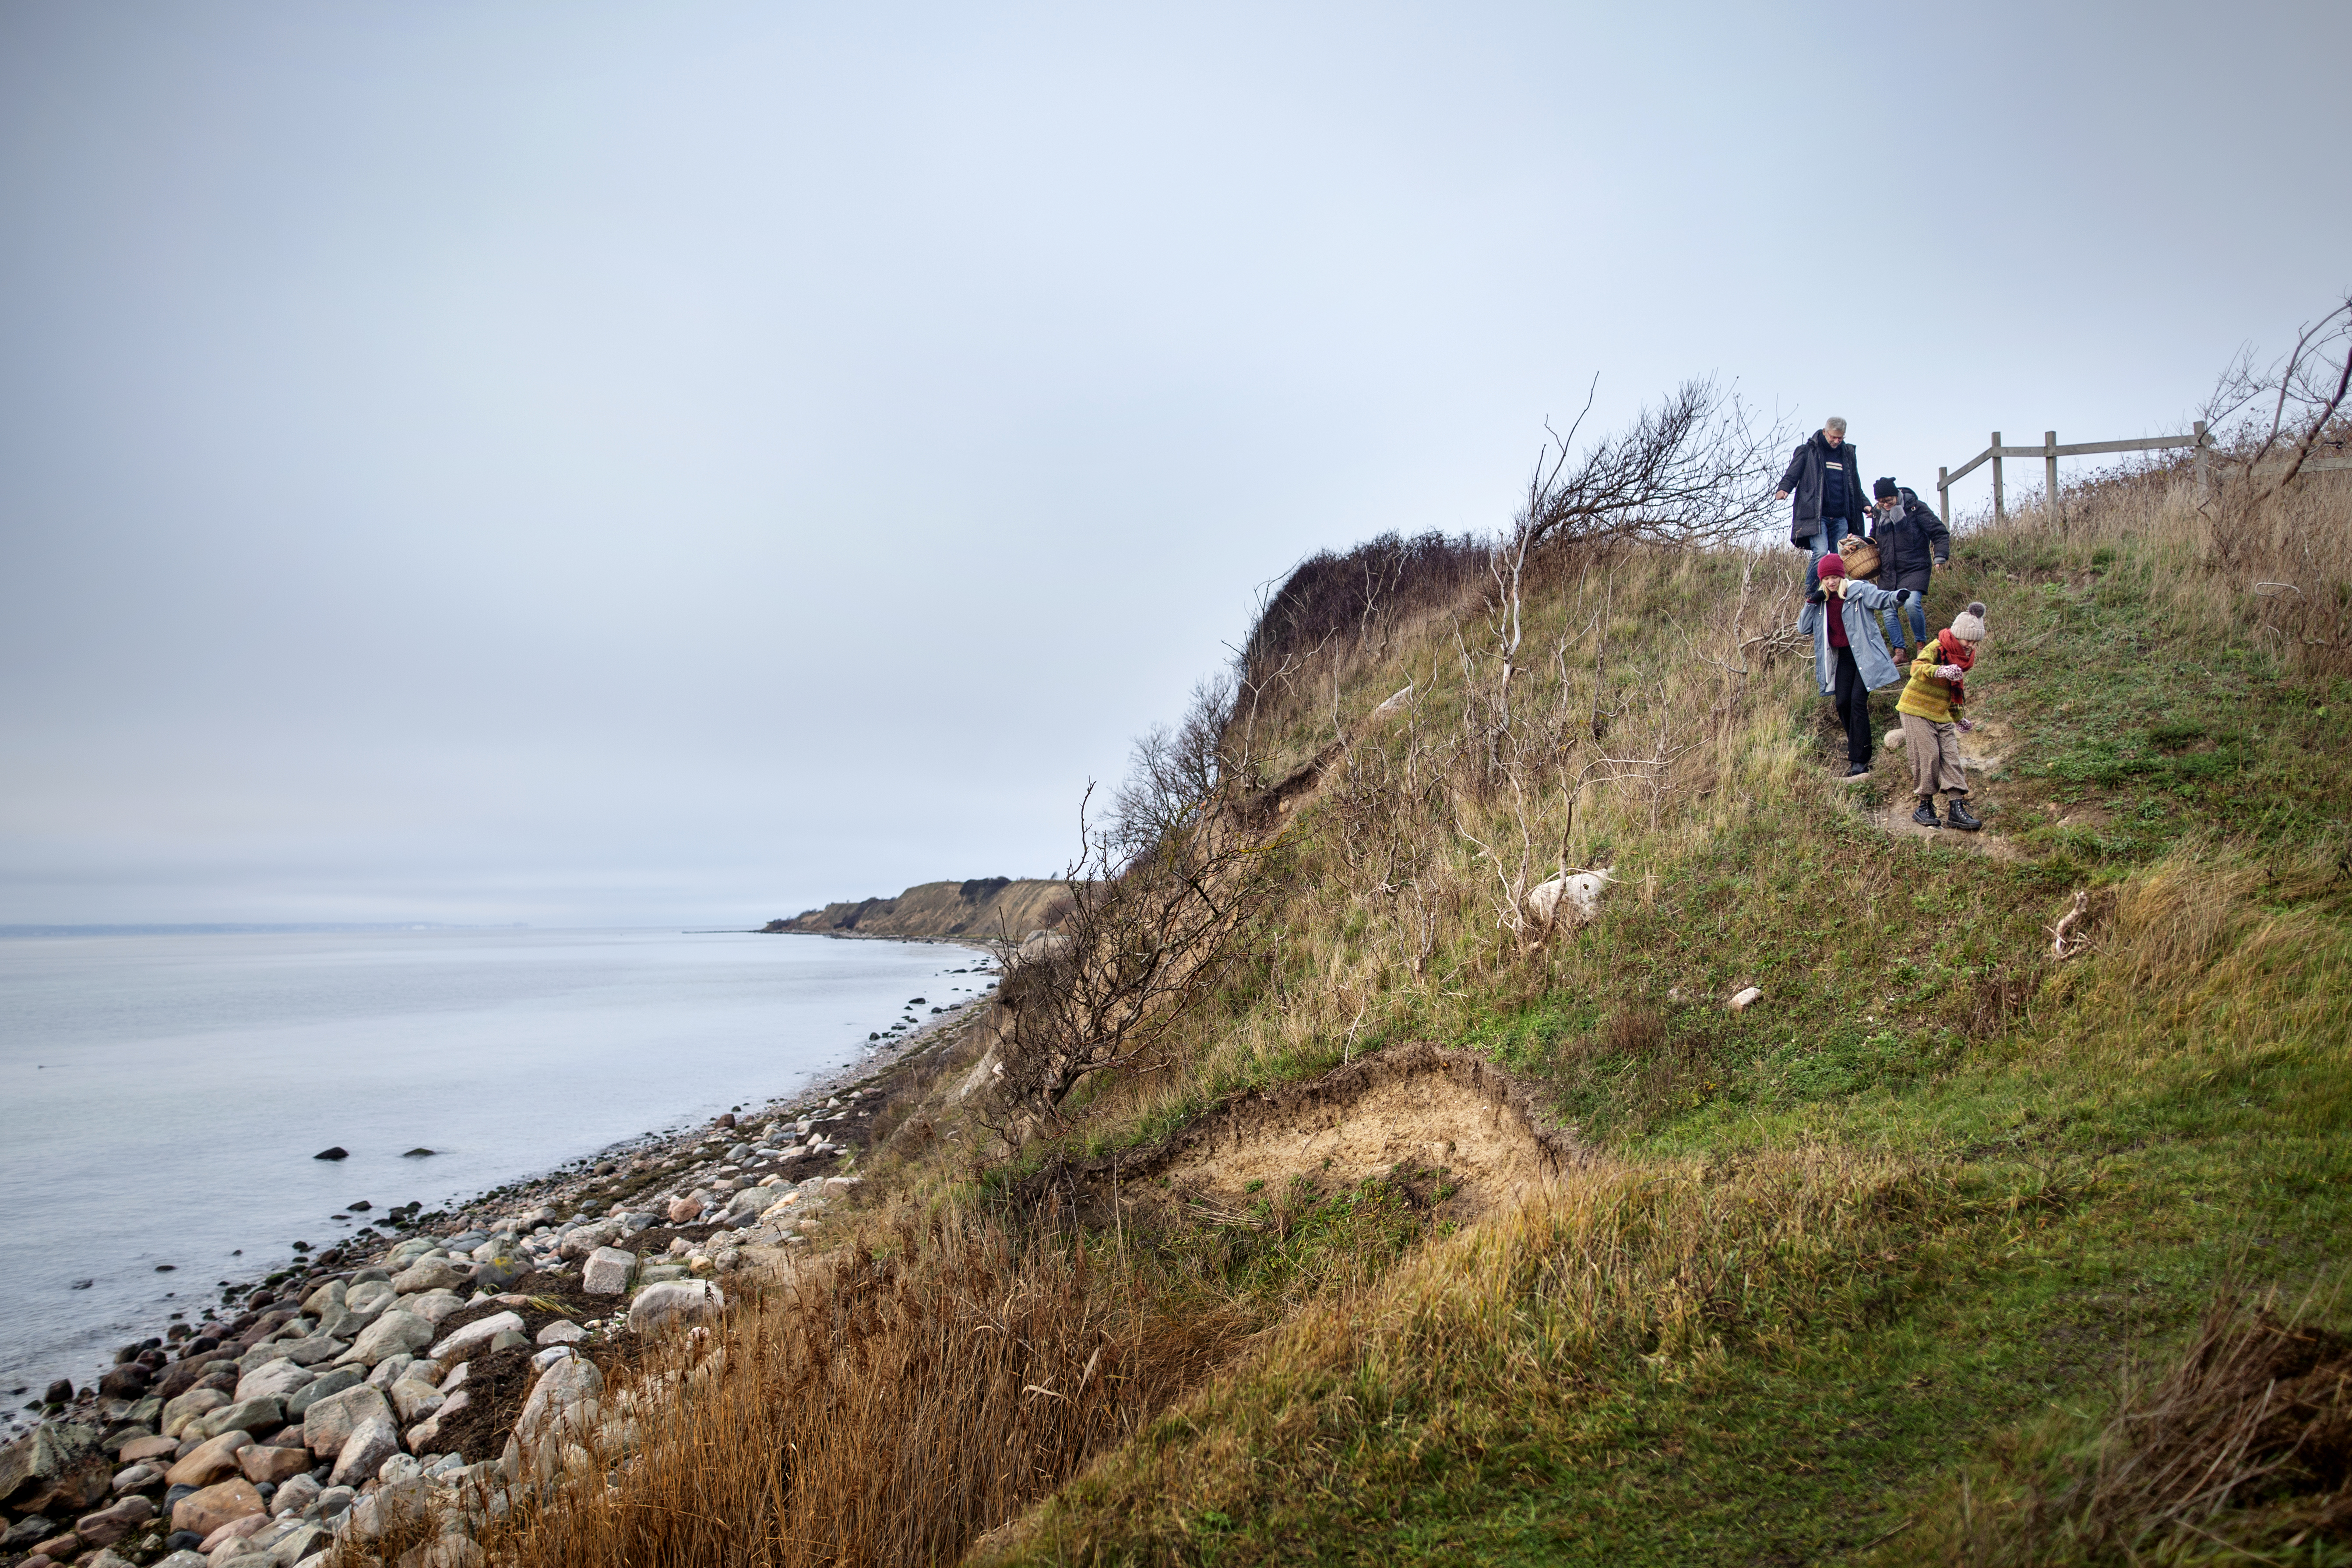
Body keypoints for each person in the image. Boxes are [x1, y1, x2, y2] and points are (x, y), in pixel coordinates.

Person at [1799, 553, 1908, 779]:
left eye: (1835, 577)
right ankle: (1856, 744)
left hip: (1865, 656)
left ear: (1842, 575)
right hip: (1845, 658)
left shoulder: (1859, 591)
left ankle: (1860, 760)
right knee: (1842, 703)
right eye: (1827, 578)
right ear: (1822, 579)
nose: (1831, 582)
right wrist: (1812, 602)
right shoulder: (1822, 601)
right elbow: (1803, 628)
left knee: (1858, 701)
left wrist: (1899, 596)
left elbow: (1882, 599)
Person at [1896, 600, 1989, 831]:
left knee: (1951, 758)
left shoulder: (1961, 660)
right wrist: (1940, 670)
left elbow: (1952, 693)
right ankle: (1924, 806)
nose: (1971, 646)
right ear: (1958, 635)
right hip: (1916, 710)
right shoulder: (1938, 648)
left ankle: (1957, 807)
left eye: (1976, 642)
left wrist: (1959, 719)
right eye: (1969, 640)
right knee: (1928, 756)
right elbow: (1916, 668)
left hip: (1941, 714)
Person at [1868, 478, 1951, 658]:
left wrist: (1940, 556)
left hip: (1916, 567)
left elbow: (1939, 532)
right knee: (1888, 610)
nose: (1886, 505)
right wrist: (1858, 543)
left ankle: (1921, 646)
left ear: (1896, 495)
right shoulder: (1878, 515)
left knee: (1912, 604)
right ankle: (1900, 652)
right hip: (1889, 572)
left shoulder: (1916, 508)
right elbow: (1874, 540)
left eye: (1889, 500)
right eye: (1881, 502)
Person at [1777, 417, 1866, 563]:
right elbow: (1792, 475)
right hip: (1817, 516)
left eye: (1841, 438)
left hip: (1840, 516)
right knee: (1822, 553)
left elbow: (1854, 486)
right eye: (1834, 437)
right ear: (1825, 432)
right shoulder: (1808, 451)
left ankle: (1830, 586)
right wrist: (1784, 489)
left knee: (1840, 557)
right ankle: (1811, 586)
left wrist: (1865, 505)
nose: (1837, 441)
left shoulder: (1847, 455)